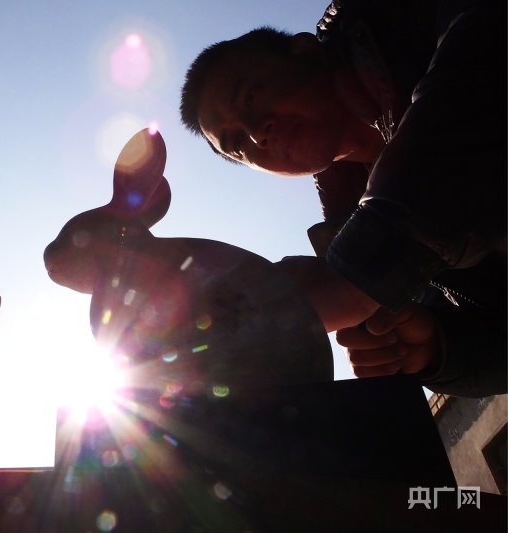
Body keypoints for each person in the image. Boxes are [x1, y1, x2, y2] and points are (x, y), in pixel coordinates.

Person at [179, 0, 506, 397]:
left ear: (306, 52)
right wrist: (436, 348)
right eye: (236, 144)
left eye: (251, 96)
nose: (254, 133)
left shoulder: (407, 20)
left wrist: (354, 277)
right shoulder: (366, 235)